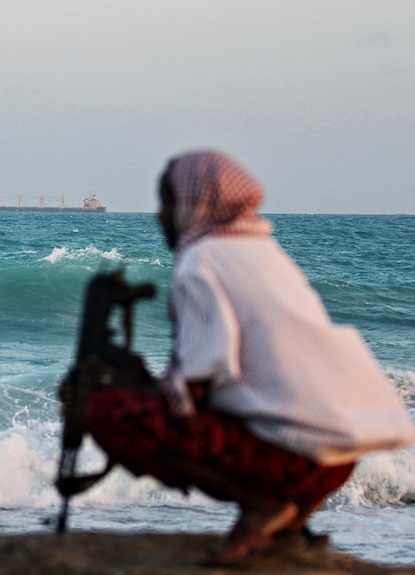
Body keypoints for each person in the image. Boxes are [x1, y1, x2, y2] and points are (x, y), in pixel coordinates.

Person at [80, 149, 415, 565]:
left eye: (168, 203)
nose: (160, 216)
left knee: (109, 413)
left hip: (288, 462)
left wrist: (125, 388)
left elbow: (199, 385)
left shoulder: (200, 261)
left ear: (195, 204)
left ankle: (261, 506)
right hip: (337, 463)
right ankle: (292, 518)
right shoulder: (266, 254)